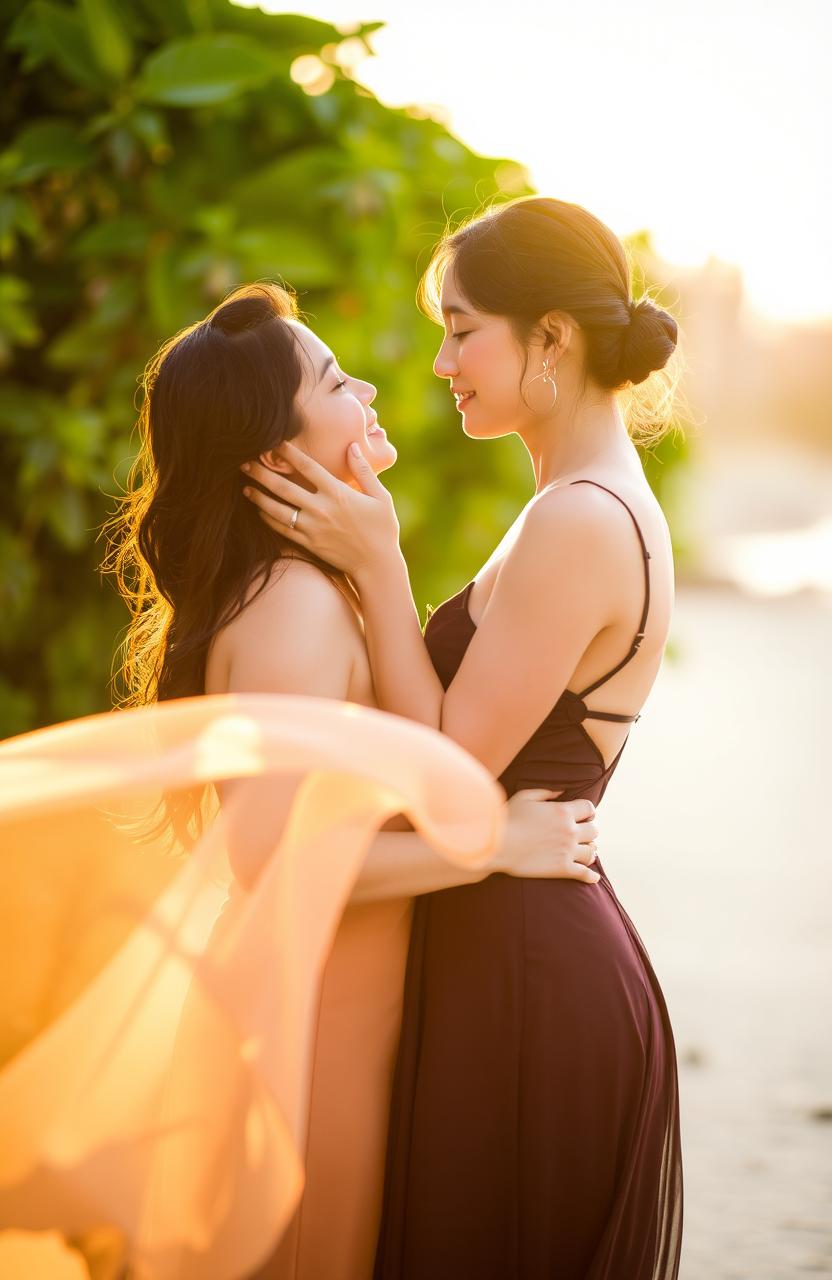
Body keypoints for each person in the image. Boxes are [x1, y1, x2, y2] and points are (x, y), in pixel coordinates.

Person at [106, 281, 603, 1279]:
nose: (371, 384)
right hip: (307, 1039)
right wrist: (489, 845)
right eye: (336, 379)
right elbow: (267, 861)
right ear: (270, 454)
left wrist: (380, 560)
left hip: (345, 1021)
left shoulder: (315, 584)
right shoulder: (291, 605)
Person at [241, 196, 684, 1279]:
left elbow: (446, 768)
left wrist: (380, 566)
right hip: (505, 945)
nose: (441, 360)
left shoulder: (581, 517)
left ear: (552, 341)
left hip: (531, 976)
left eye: (460, 326)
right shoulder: (567, 505)